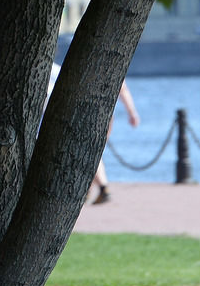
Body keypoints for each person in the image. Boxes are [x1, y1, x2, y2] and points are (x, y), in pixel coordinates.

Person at [45, 62, 140, 206]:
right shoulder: (112, 65)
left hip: (88, 114)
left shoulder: (88, 64)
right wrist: (132, 113)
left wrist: (132, 113)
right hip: (107, 115)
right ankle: (88, 189)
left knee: (88, 152)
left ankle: (101, 188)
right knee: (91, 151)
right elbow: (123, 89)